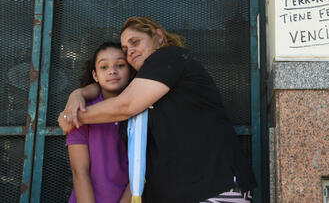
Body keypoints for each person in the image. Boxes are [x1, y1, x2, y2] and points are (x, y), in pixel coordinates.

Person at [58, 16, 256, 203]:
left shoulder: (169, 57)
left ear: (159, 37)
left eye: (135, 42)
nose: (130, 52)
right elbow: (113, 92)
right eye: (126, 49)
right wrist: (79, 94)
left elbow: (125, 105)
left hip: (214, 186)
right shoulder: (145, 86)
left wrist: (73, 117)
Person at [65, 42, 132, 203]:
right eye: (104, 67)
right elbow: (79, 171)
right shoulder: (81, 112)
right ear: (95, 75)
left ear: (130, 71)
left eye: (120, 65)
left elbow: (144, 171)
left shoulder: (143, 112)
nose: (112, 71)